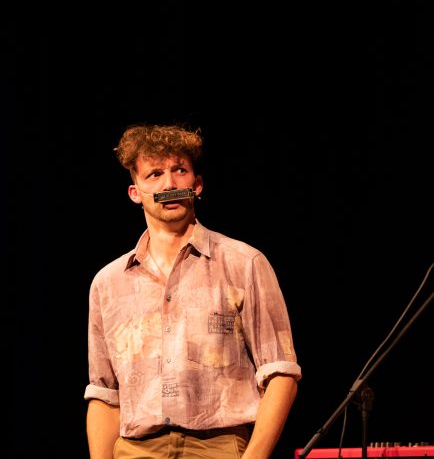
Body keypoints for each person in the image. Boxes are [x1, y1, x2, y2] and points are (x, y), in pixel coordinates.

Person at [85, 124, 302, 459]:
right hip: (136, 450)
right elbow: (104, 394)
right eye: (154, 174)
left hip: (219, 447)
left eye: (179, 171)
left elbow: (281, 373)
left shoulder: (244, 263)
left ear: (196, 184)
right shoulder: (109, 283)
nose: (169, 184)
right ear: (135, 192)